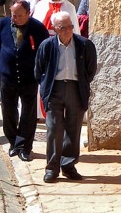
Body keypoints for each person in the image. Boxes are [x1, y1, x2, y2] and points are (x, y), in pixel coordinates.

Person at [35, 12, 98, 183]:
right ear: (55, 29)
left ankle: (69, 166)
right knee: (54, 129)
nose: (68, 30)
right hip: (55, 89)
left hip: (76, 89)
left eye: (70, 26)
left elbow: (91, 70)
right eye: (63, 27)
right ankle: (52, 168)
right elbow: (38, 70)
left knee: (73, 128)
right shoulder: (47, 46)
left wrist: (82, 84)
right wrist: (46, 87)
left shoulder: (84, 45)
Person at [0, 0, 50, 162]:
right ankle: (14, 143)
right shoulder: (3, 24)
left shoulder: (38, 29)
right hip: (7, 77)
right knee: (9, 112)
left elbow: (43, 52)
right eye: (13, 15)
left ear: (28, 14)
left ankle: (25, 147)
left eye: (19, 16)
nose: (15, 18)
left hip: (29, 78)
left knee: (28, 113)